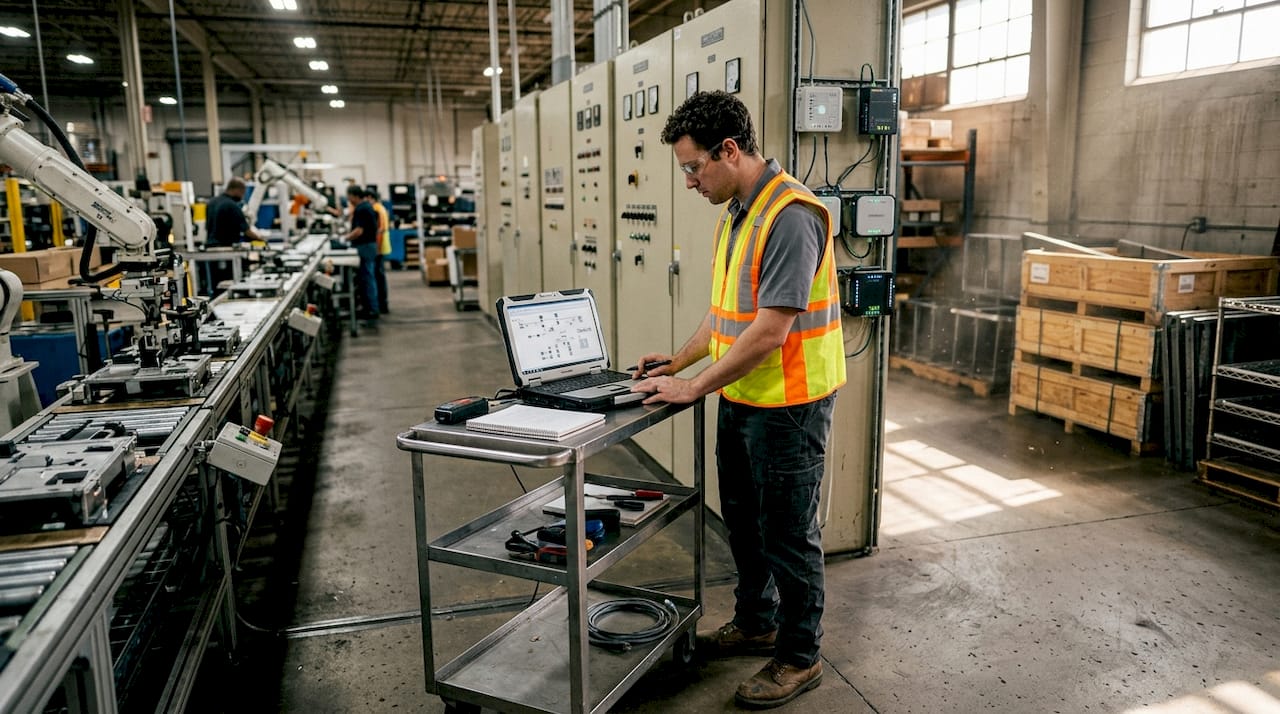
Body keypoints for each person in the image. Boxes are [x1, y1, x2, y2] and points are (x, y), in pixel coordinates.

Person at [630, 90, 845, 710]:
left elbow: (772, 330)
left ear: (729, 150)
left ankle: (800, 656)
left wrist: (692, 387)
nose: (691, 182)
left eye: (694, 167)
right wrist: (678, 361)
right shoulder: (740, 212)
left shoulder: (791, 215)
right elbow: (728, 317)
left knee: (788, 535)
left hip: (790, 405)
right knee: (745, 527)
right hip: (745, 395)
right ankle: (757, 622)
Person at [343, 185, 381, 326]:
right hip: (369, 246)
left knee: (367, 278)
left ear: (354, 196)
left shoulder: (361, 209)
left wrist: (344, 238)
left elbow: (359, 231)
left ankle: (371, 310)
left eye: (349, 196)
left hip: (365, 247)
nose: (348, 199)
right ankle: (370, 308)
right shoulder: (366, 207)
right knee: (367, 278)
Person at [368, 189, 392, 314]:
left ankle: (382, 304)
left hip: (379, 245)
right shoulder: (380, 207)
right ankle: (383, 303)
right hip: (382, 245)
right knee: (380, 275)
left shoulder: (376, 209)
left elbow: (380, 229)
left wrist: (376, 248)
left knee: (378, 276)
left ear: (371, 198)